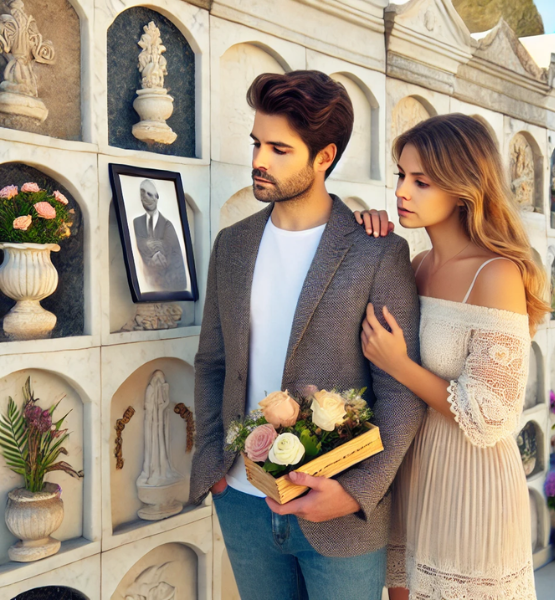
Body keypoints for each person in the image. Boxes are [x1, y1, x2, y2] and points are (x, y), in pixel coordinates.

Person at [189, 70, 425, 600]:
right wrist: (214, 465)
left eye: (279, 149)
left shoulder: (376, 252)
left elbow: (400, 392)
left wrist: (356, 491)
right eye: (256, 143)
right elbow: (212, 363)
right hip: (244, 504)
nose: (258, 161)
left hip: (339, 515)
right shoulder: (231, 244)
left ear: (324, 157)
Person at [355, 113, 547, 600]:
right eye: (401, 175)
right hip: (413, 468)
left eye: (421, 181)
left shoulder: (496, 273)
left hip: (471, 482)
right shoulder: (415, 264)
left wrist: (400, 364)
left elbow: (491, 415)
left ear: (464, 187)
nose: (402, 191)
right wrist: (365, 240)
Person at [132, 179, 187, 291]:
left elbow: (174, 257)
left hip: (167, 286)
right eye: (144, 194)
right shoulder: (137, 223)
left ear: (157, 197)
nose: (148, 199)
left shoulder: (168, 225)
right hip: (145, 285)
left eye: (153, 195)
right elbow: (141, 247)